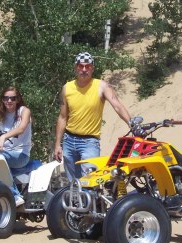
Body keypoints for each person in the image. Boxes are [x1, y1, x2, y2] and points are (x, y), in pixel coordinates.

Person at [53, 52, 132, 182]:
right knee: (73, 183)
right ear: (75, 68)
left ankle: (94, 202)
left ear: (93, 68)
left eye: (88, 66)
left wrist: (131, 123)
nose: (84, 69)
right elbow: (62, 117)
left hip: (89, 142)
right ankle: (77, 203)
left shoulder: (101, 86)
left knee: (90, 182)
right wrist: (57, 144)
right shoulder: (67, 88)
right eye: (81, 66)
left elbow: (117, 105)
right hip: (69, 140)